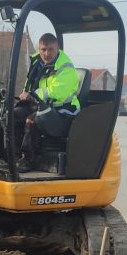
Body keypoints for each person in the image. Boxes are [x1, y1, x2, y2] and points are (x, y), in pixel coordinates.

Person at [13, 33, 81, 172]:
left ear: (57, 48)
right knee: (12, 115)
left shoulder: (65, 67)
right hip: (43, 105)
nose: (46, 53)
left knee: (33, 120)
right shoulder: (37, 62)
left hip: (64, 111)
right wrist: (25, 96)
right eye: (43, 49)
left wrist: (33, 95)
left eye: (50, 49)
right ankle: (12, 157)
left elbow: (56, 92)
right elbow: (29, 85)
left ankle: (28, 160)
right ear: (39, 48)